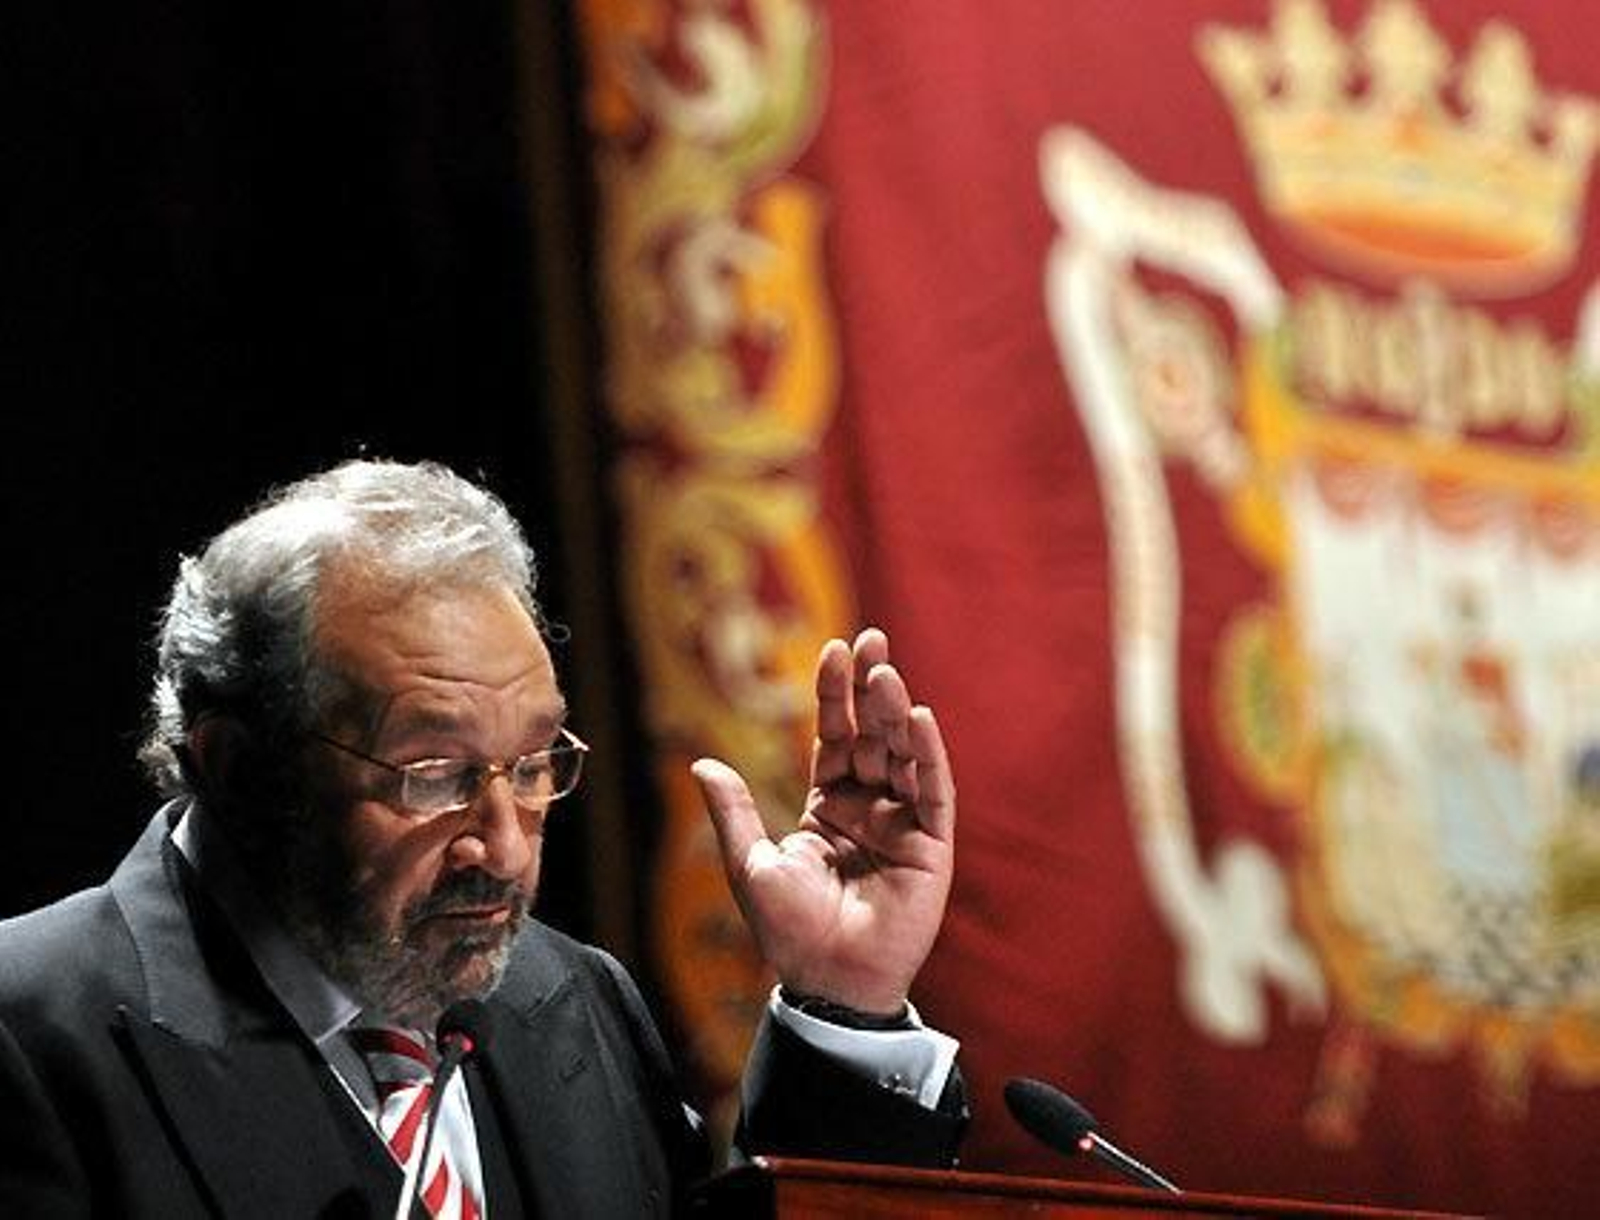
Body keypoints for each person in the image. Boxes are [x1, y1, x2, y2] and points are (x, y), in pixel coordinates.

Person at [0, 459, 965, 1218]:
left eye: (536, 764)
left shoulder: (571, 1002)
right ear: (240, 767)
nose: (501, 849)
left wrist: (846, 1008)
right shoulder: (33, 1034)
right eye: (435, 777)